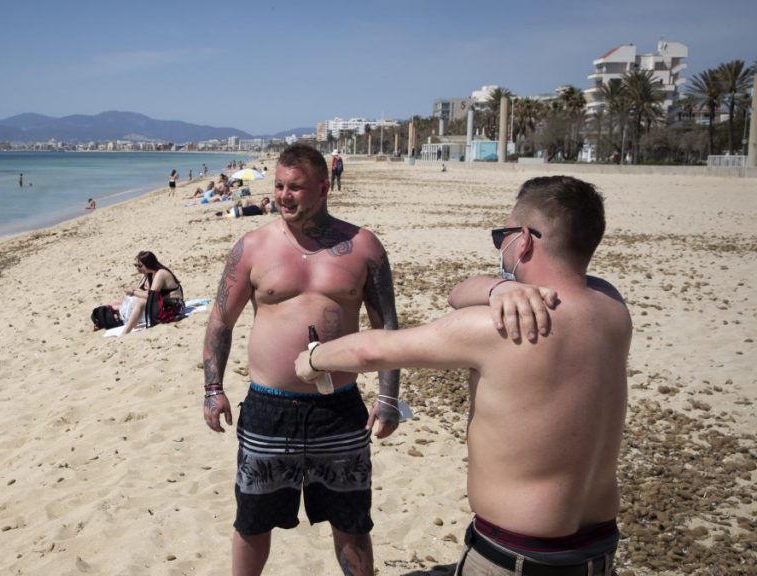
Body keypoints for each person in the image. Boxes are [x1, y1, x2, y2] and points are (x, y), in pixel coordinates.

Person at [294, 176, 630, 576]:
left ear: (523, 241)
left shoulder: (498, 329)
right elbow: (458, 292)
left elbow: (374, 349)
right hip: (598, 552)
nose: (500, 247)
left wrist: (314, 358)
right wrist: (496, 288)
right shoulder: (612, 308)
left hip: (514, 556)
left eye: (501, 236)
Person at [202, 144, 400, 576]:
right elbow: (220, 322)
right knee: (252, 521)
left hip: (340, 409)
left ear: (324, 188)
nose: (283, 196)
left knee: (351, 521)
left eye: (296, 187)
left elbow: (388, 329)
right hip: (268, 409)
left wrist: (388, 399)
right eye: (278, 186)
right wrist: (213, 389)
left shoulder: (363, 246)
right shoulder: (252, 247)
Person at [121, 251, 185, 336]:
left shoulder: (160, 273)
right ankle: (132, 324)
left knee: (140, 302)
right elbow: (151, 294)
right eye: (136, 265)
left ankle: (125, 332)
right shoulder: (153, 274)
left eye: (140, 266)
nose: (138, 268)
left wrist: (133, 293)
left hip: (175, 306)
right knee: (137, 301)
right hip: (167, 304)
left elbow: (151, 296)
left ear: (148, 264)